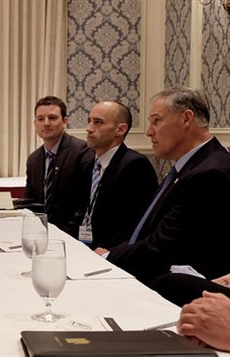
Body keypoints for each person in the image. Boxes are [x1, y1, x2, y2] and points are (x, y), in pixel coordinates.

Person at [95, 86, 230, 285]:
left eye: (156, 121)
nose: (149, 132)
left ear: (186, 119)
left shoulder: (210, 173)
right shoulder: (191, 166)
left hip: (180, 292)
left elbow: (163, 247)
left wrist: (108, 257)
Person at [79, 101, 157, 249]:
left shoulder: (135, 165)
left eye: (98, 122)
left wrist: (105, 253)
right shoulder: (88, 162)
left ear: (120, 129)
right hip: (84, 246)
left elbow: (134, 227)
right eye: (89, 121)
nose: (88, 128)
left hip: (111, 254)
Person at [24, 96, 93, 237]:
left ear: (64, 121)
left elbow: (84, 203)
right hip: (40, 234)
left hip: (72, 235)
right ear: (35, 123)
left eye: (52, 118)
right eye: (41, 119)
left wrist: (62, 235)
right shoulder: (33, 159)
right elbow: (30, 202)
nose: (46, 123)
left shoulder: (83, 152)